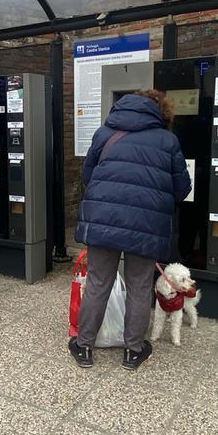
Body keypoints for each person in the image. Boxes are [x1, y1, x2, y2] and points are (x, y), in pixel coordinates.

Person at [69, 90, 192, 371]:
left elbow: (88, 175)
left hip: (104, 218)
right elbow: (182, 189)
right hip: (146, 225)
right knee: (139, 285)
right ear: (161, 112)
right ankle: (133, 349)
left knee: (99, 281)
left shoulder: (104, 133)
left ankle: (84, 345)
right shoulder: (168, 140)